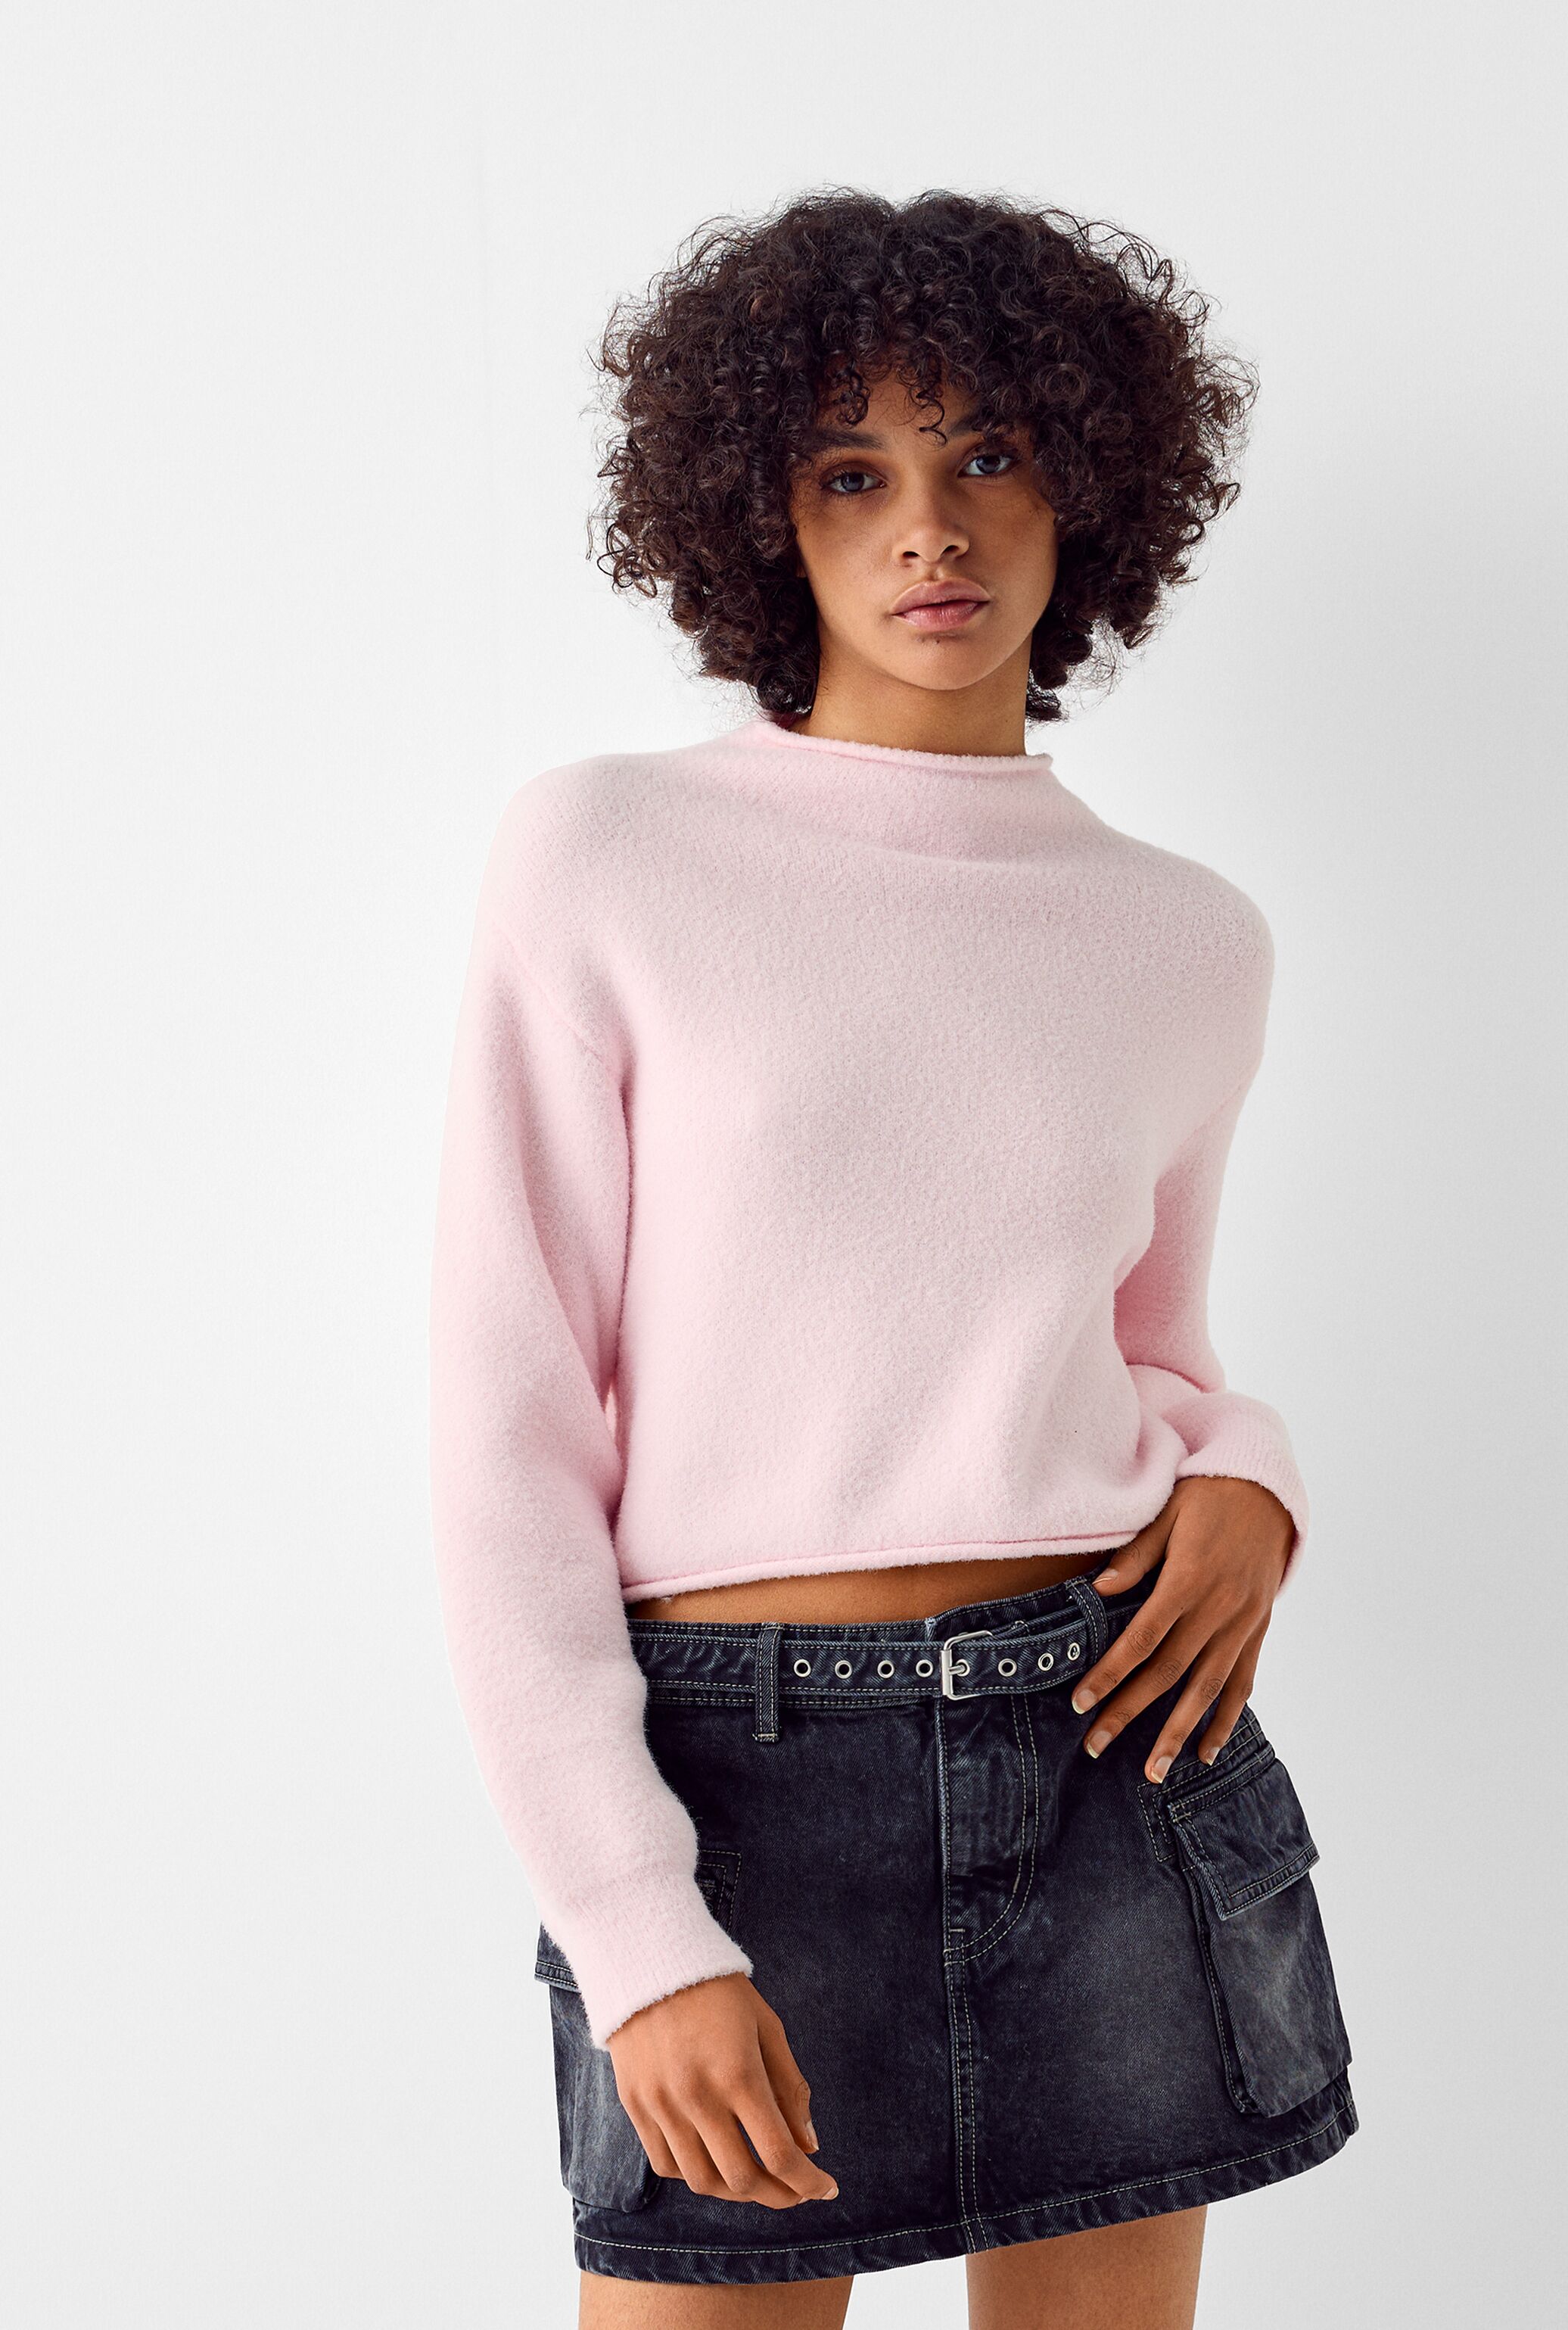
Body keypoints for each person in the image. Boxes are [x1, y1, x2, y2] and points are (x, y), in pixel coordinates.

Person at [428, 188, 1355, 2329]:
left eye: (987, 456)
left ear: (1088, 485)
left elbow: (1148, 1348)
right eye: (853, 473)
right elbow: (508, 1422)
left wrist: (1253, 1474)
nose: (930, 530)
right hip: (735, 1781)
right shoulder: (608, 856)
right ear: (762, 518)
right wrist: (635, 1929)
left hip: (1109, 1750)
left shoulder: (1187, 938)